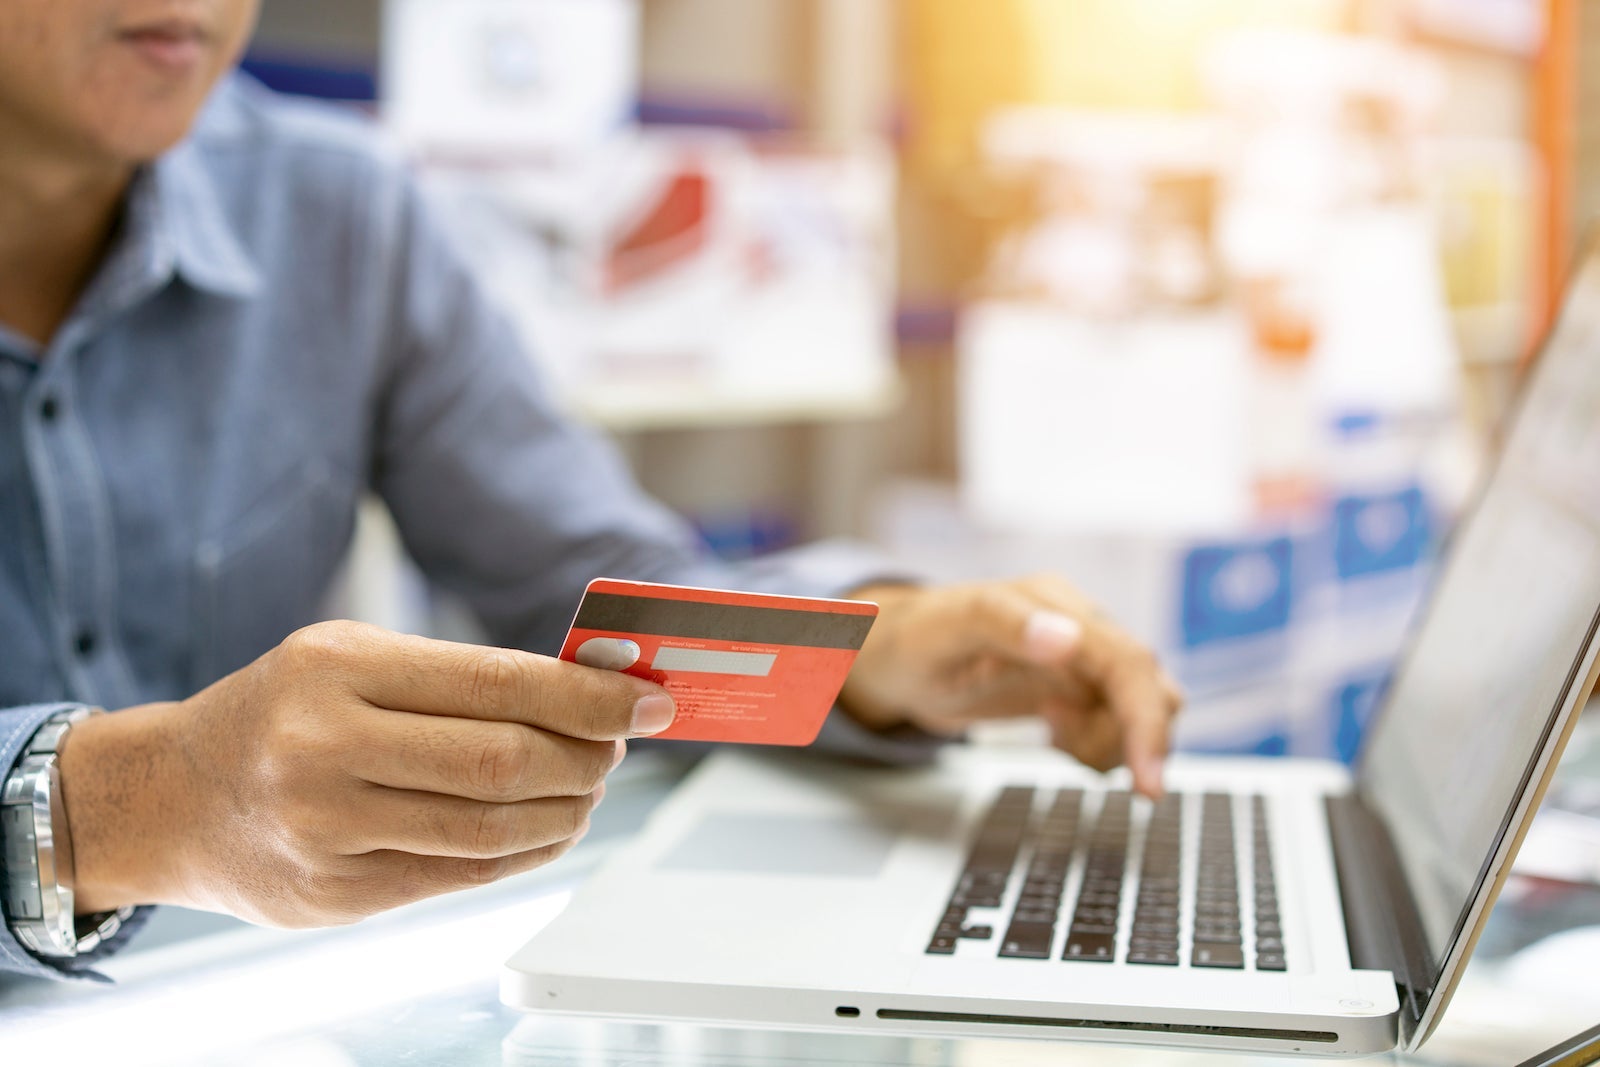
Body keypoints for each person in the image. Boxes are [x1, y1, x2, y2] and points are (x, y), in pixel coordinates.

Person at [0, 0, 1182, 981]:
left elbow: (600, 588)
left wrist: (870, 654)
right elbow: (149, 805)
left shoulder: (340, 213)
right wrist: (118, 809)